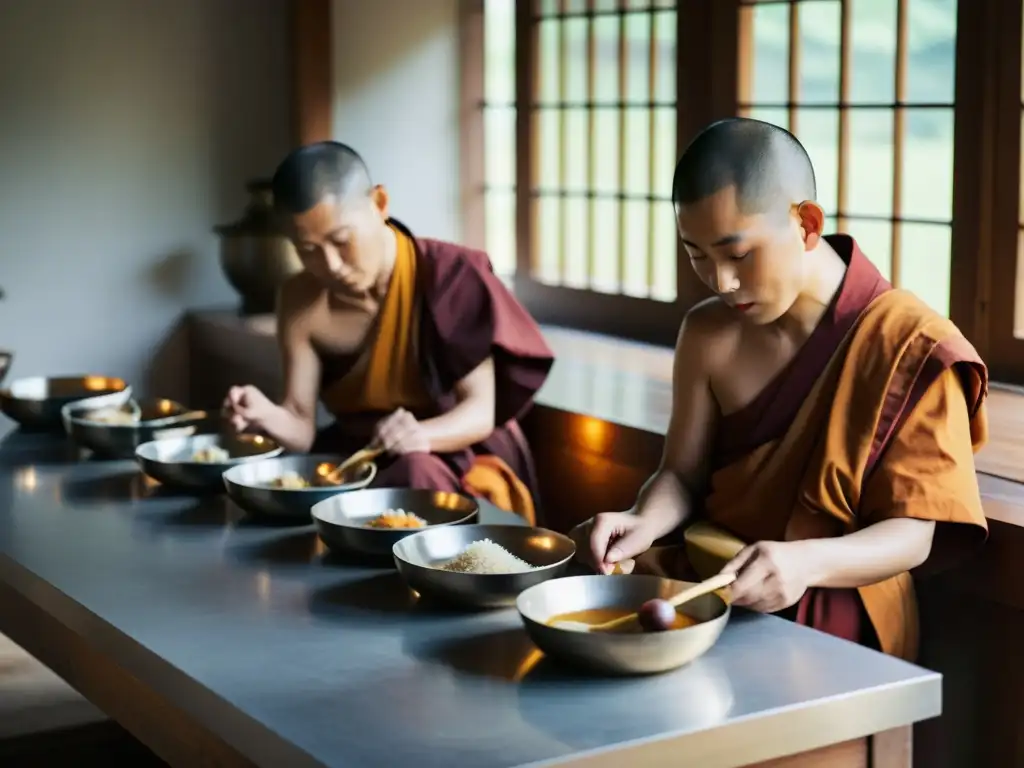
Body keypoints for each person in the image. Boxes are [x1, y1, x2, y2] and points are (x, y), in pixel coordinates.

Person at [570, 118, 988, 661]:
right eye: (697, 255)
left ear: (807, 224)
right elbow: (681, 473)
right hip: (710, 583)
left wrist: (805, 563)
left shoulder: (910, 343)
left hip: (834, 602)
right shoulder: (707, 333)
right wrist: (643, 521)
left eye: (738, 254)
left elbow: (913, 533)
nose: (721, 282)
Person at [222, 141, 554, 524]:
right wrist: (263, 414)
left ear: (379, 204)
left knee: (413, 473)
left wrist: (421, 436)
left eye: (342, 241)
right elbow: (301, 428)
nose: (330, 265)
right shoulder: (299, 299)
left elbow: (478, 412)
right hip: (360, 453)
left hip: (452, 452)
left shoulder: (450, 275)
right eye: (308, 249)